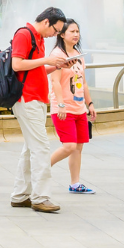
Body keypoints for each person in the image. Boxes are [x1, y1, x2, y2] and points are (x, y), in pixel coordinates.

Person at [10, 7, 71, 213]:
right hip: (27, 98)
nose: (56, 35)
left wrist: (56, 65)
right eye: (56, 30)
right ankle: (41, 197)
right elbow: (17, 65)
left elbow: (35, 69)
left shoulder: (39, 38)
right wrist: (47, 60)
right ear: (46, 22)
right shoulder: (24, 34)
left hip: (35, 99)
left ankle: (20, 195)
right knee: (42, 148)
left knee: (30, 148)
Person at [48, 18, 95, 195]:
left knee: (78, 147)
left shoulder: (78, 55)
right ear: (62, 34)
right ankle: (41, 169)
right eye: (72, 32)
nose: (76, 35)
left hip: (79, 108)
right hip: (63, 108)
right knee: (69, 146)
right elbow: (55, 82)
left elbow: (83, 82)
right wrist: (60, 104)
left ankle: (75, 184)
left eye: (77, 31)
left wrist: (89, 104)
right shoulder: (57, 55)